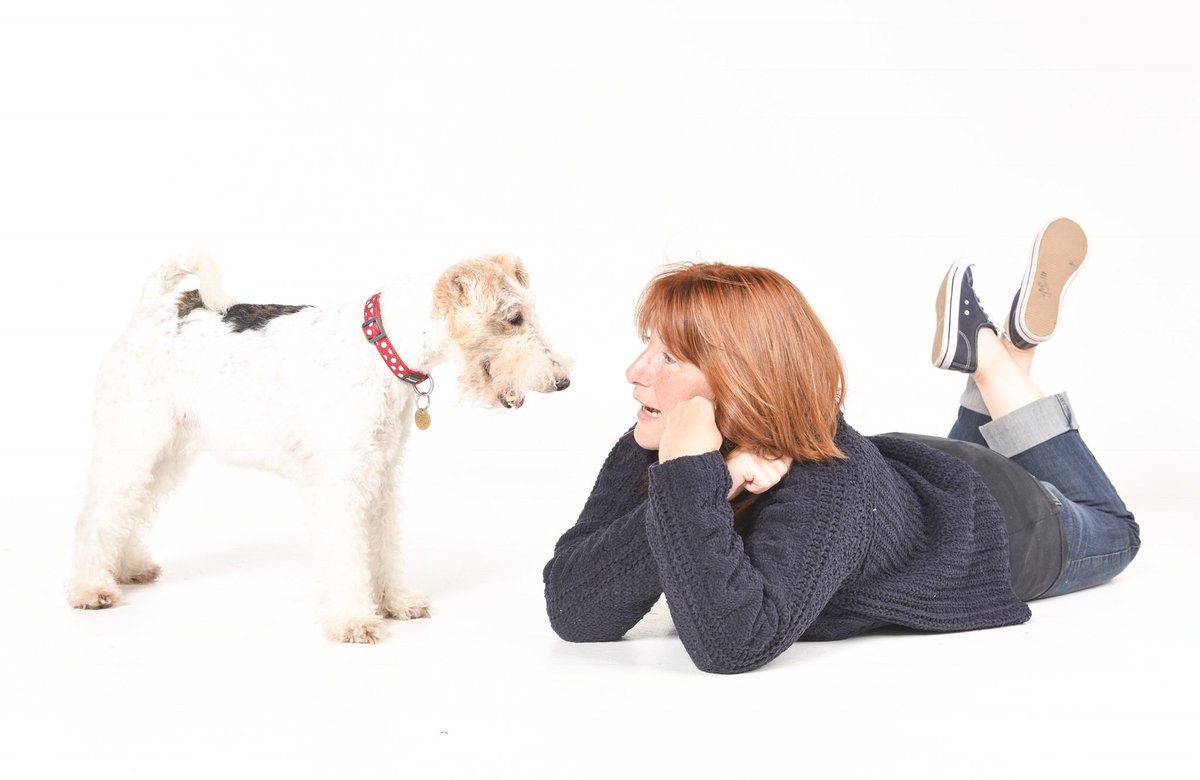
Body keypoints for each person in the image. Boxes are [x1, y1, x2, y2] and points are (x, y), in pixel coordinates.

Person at [542, 218, 1140, 675]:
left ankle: (989, 359)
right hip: (911, 480)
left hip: (993, 523)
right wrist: (708, 477)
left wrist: (688, 475)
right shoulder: (662, 436)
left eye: (669, 357)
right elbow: (575, 612)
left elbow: (732, 646)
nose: (633, 371)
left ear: (743, 379)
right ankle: (1009, 354)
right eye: (645, 344)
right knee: (956, 464)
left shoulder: (827, 485)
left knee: (1117, 530)